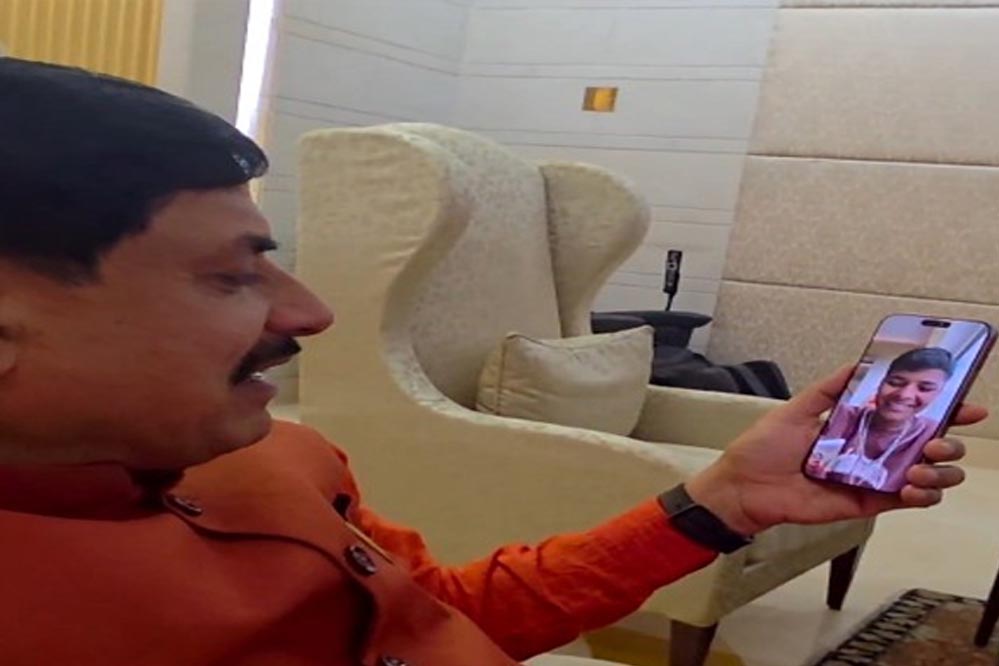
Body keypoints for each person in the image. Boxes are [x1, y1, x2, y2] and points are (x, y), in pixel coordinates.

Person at [0, 58, 986, 666]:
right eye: (230, 275)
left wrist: (721, 501)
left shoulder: (285, 459)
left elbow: (439, 615)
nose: (310, 313)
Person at [806, 347, 954, 491]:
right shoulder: (841, 415)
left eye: (924, 388)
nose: (904, 395)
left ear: (938, 394)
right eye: (895, 383)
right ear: (881, 382)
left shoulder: (932, 434)